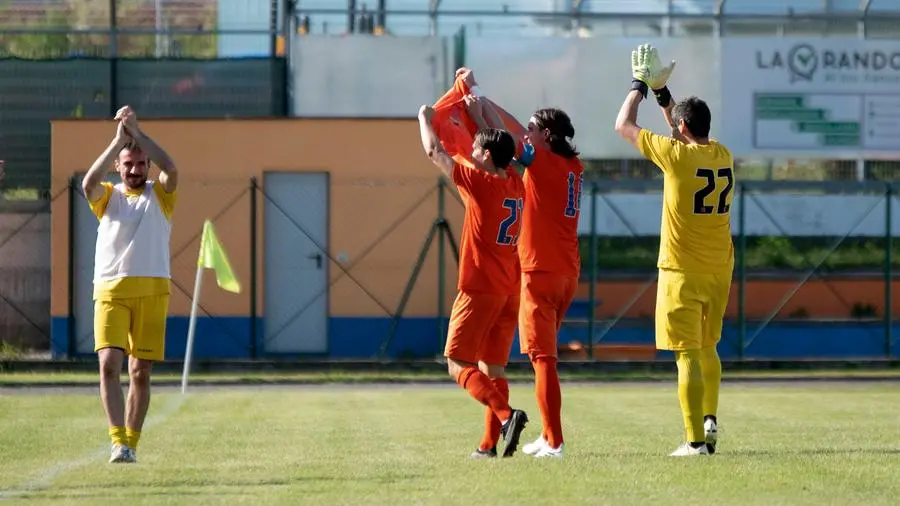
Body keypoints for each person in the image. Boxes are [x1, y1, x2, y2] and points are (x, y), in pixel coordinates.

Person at [614, 43, 731, 456]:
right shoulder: (722, 154)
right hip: (719, 269)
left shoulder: (675, 157)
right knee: (708, 348)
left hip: (681, 271)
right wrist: (667, 97)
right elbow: (681, 129)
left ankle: (694, 441)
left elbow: (623, 125)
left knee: (684, 356)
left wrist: (640, 85)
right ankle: (711, 419)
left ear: (681, 130)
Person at [468, 74, 583, 459]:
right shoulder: (572, 166)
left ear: (547, 134)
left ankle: (554, 440)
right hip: (566, 270)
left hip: (541, 271)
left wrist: (478, 103)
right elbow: (512, 130)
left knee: (543, 360)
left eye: (534, 129)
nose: (528, 133)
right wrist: (481, 101)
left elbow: (506, 139)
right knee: (542, 358)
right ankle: (548, 436)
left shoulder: (545, 160)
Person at [418, 94, 529, 458]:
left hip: (479, 288)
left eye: (478, 149)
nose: (473, 151)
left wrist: (424, 117)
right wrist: (480, 115)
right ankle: (487, 446)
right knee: (493, 368)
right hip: (509, 289)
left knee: (457, 363)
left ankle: (507, 415)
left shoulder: (481, 184)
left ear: (485, 156)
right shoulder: (515, 182)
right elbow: (497, 148)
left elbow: (436, 153)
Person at [82, 105, 178, 463]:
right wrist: (118, 141)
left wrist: (139, 134)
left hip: (152, 290)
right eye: (128, 164)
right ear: (118, 168)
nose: (135, 170)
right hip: (110, 290)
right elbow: (87, 184)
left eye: (140, 164)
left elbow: (172, 168)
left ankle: (131, 444)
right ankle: (117, 440)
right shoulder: (108, 196)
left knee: (140, 371)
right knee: (109, 364)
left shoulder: (161, 194)